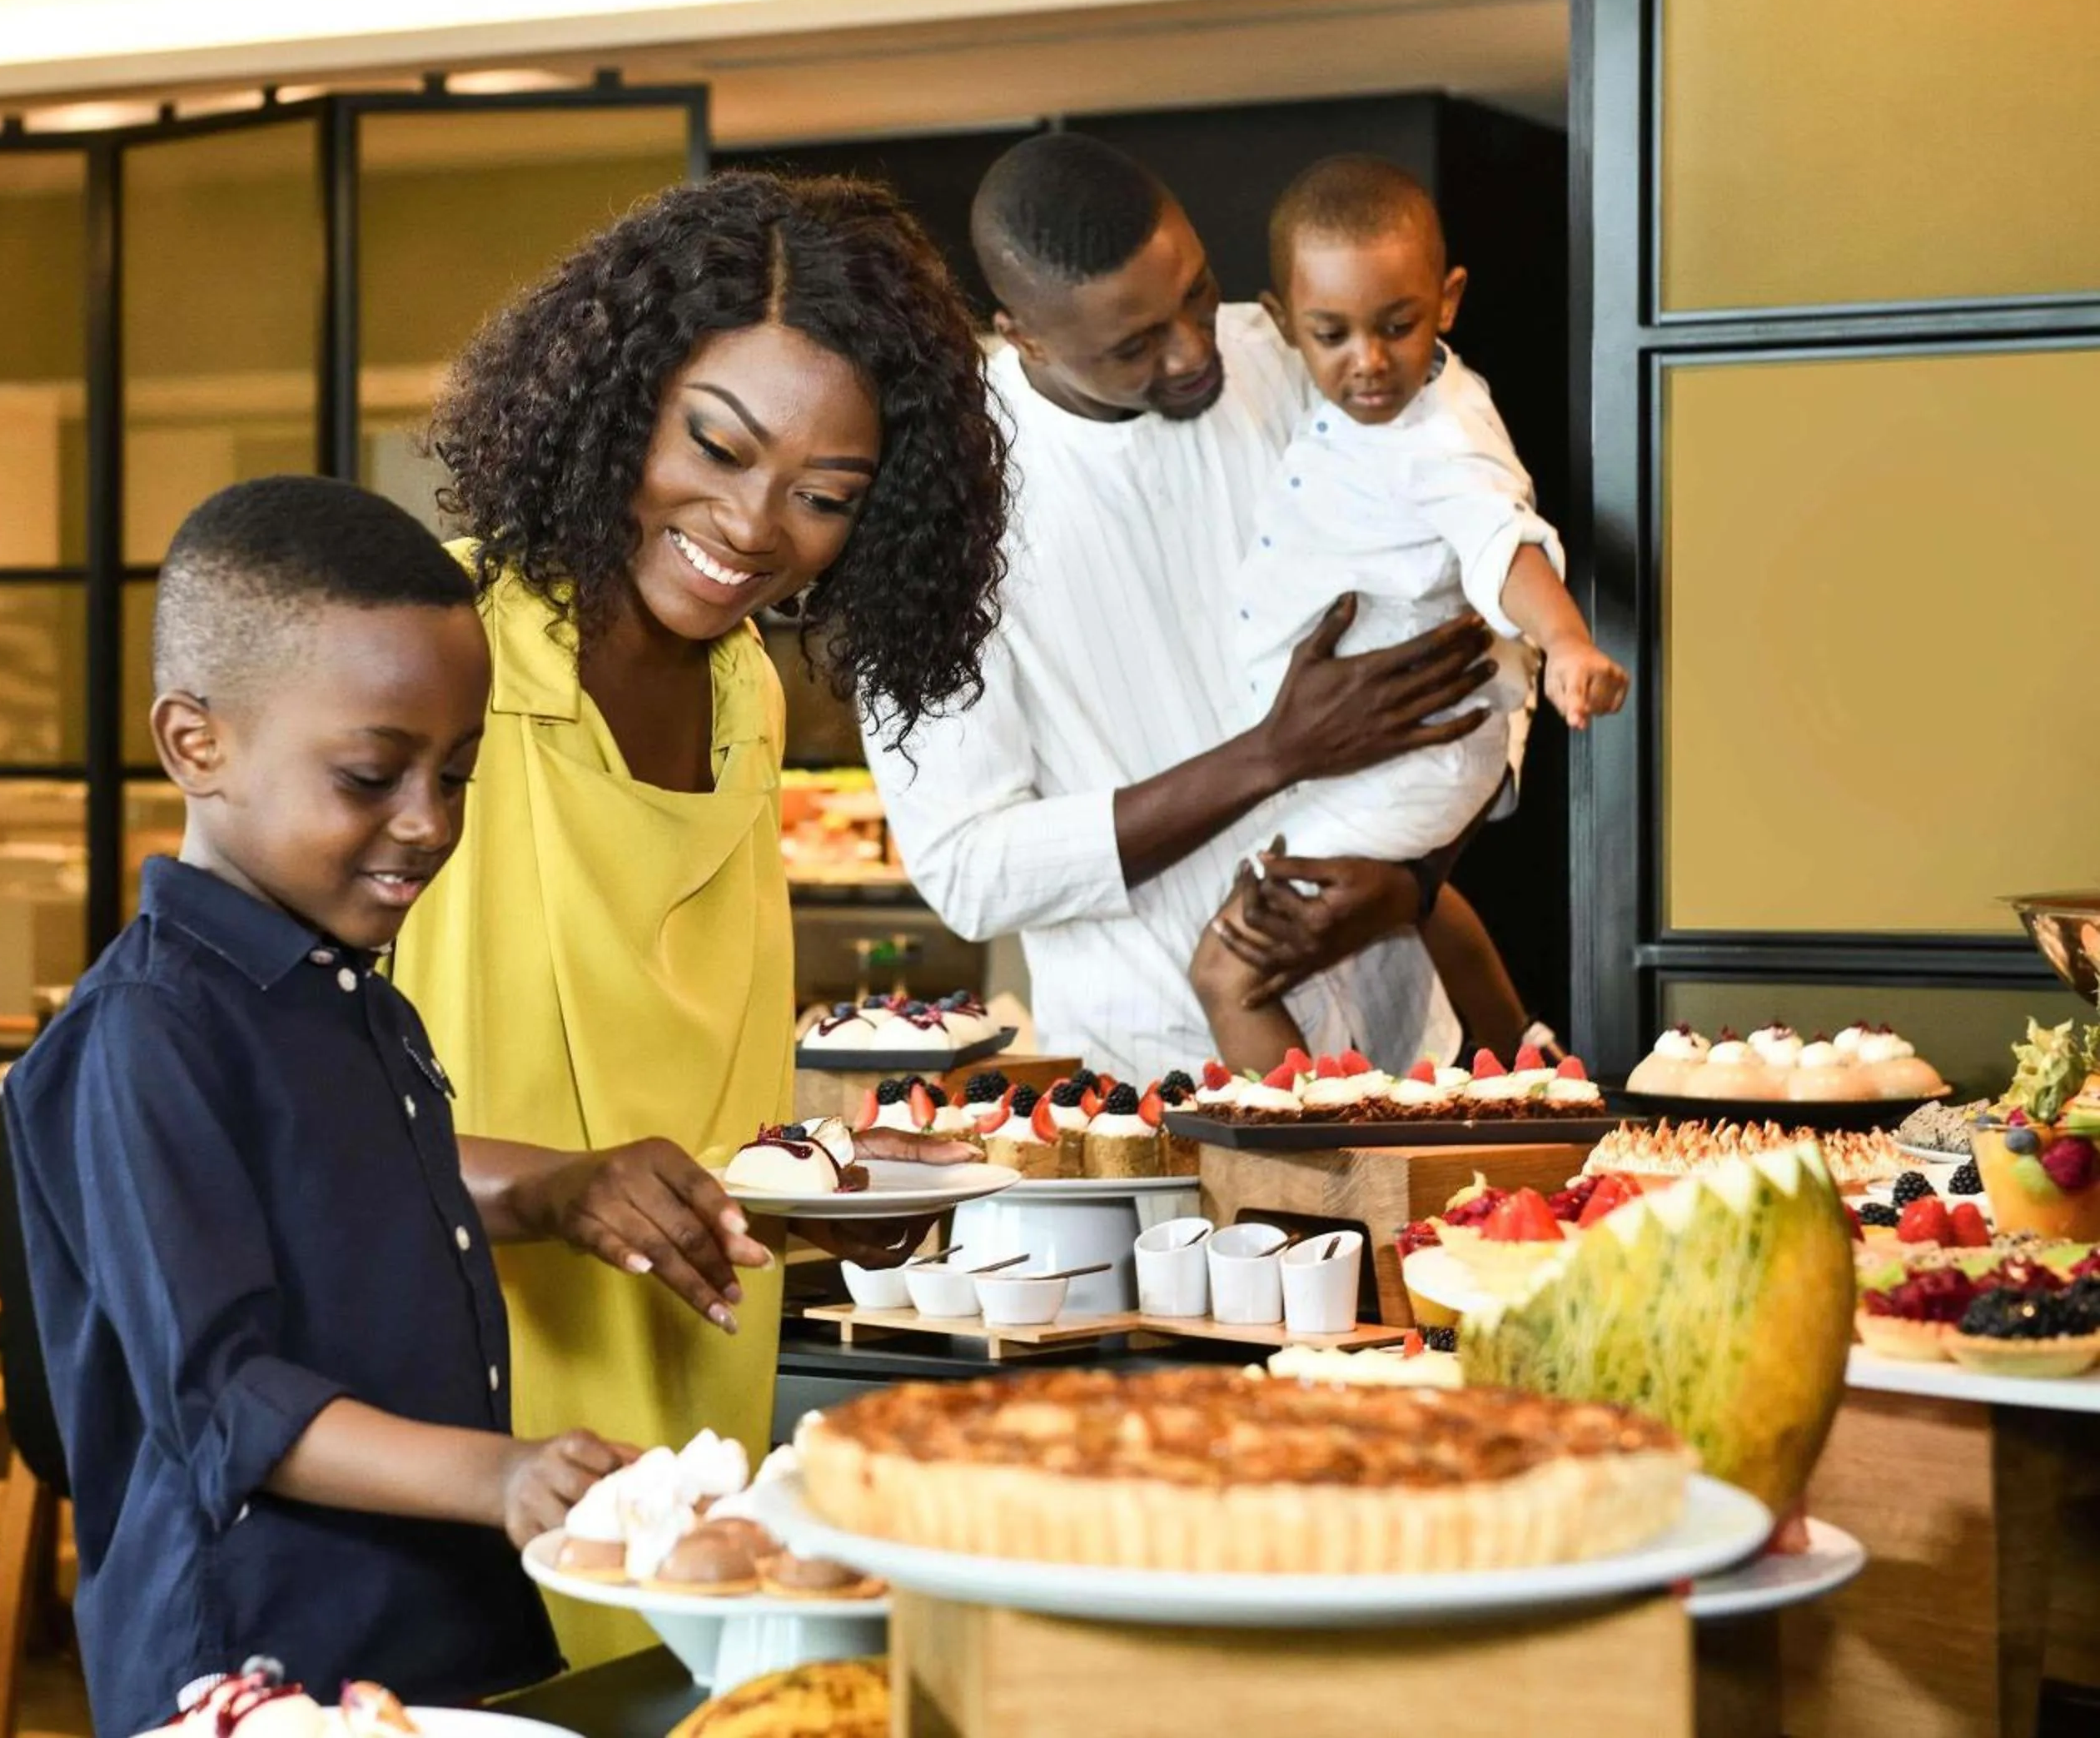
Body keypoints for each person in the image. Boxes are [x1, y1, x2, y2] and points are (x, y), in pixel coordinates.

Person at [2, 477, 775, 1733]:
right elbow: (226, 1397)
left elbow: (359, 1207)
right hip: (252, 1662)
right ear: (197, 744)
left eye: (457, 773)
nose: (426, 824)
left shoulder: (352, 996)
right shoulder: (142, 1034)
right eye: (371, 775)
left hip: (417, 1627)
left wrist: (566, 1187)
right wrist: (506, 1472)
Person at [390, 172, 1008, 1665]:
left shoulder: (745, 694)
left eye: (824, 496)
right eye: (716, 447)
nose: (752, 527)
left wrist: (824, 1183)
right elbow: (250, 1113)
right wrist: (552, 1183)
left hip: (681, 1423)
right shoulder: (423, 656)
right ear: (617, 401)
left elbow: (695, 1089)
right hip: (439, 1428)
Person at [866, 131, 1531, 1083]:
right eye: (1134, 345)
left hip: (1410, 1054)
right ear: (1026, 338)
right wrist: (1273, 755)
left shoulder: (1305, 358)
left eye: (1197, 295)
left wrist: (1413, 878)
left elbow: (1496, 613)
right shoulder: (934, 510)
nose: (1190, 352)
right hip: (1158, 1087)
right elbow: (971, 871)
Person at [1187, 155, 1627, 1070]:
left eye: (1398, 325)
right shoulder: (1372, 411)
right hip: (1381, 755)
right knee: (1411, 898)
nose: (1370, 360)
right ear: (1281, 325)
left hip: (1408, 756)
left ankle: (1309, 1171)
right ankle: (1531, 1064)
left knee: (1231, 965)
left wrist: (1567, 638)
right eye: (1332, 334)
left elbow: (1501, 538)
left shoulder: (1442, 433)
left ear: (1450, 299)